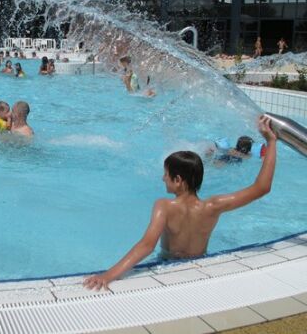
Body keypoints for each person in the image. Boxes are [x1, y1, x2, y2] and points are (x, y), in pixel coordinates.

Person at [84, 115, 277, 290]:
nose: (162, 179)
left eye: (166, 175)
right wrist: (271, 141)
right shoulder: (213, 206)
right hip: (201, 267)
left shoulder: (164, 206)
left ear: (177, 180)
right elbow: (262, 188)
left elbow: (146, 245)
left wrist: (108, 275)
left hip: (168, 266)